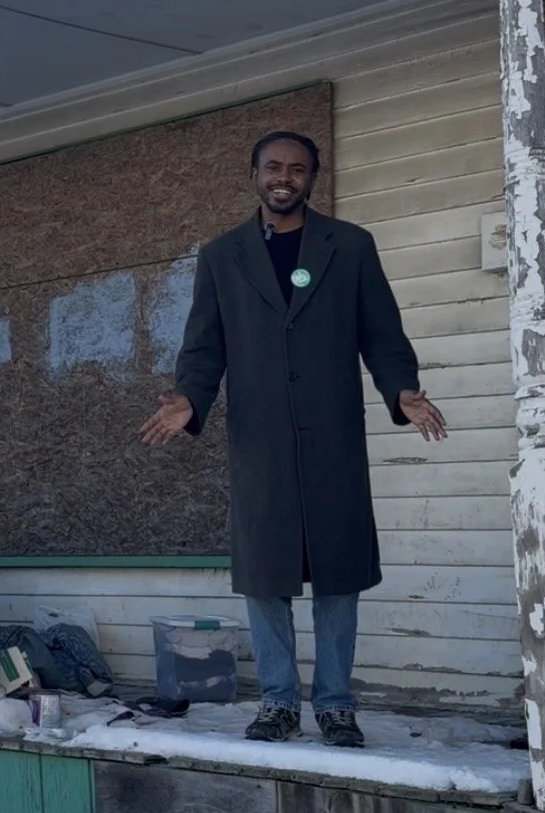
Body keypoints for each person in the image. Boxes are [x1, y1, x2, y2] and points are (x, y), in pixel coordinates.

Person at [141, 130, 446, 747]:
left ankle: (335, 705)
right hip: (260, 443)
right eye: (274, 166)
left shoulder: (350, 246)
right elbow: (204, 347)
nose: (285, 176)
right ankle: (278, 703)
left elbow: (381, 332)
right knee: (265, 575)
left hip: (333, 437)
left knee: (337, 573)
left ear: (314, 177)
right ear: (254, 173)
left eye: (298, 168)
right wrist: (190, 399)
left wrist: (401, 388)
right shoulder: (221, 255)